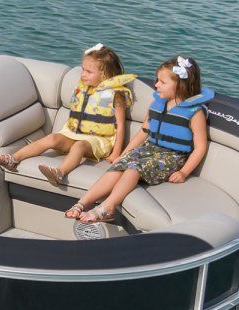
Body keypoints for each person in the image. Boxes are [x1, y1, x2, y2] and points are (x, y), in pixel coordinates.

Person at [71, 55, 214, 223]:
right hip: (149, 148)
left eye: (162, 82)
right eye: (157, 80)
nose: (156, 85)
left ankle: (107, 208)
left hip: (172, 157)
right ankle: (82, 203)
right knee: (120, 165)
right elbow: (143, 132)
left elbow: (200, 147)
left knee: (134, 168)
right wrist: (123, 153)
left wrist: (184, 172)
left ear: (180, 85)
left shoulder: (194, 112)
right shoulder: (157, 104)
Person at [0, 44, 135, 186]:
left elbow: (121, 126)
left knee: (79, 146)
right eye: (83, 69)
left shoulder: (116, 95)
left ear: (105, 75)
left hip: (98, 141)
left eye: (89, 72)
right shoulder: (84, 89)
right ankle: (13, 159)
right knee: (52, 138)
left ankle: (59, 173)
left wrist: (116, 153)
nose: (83, 74)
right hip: (74, 133)